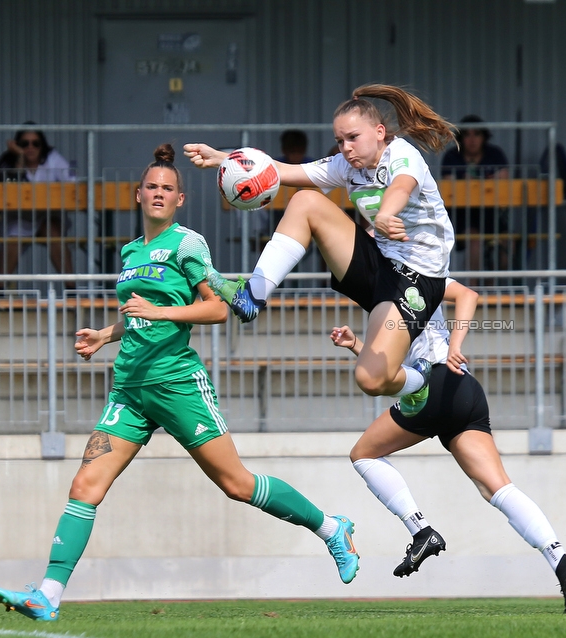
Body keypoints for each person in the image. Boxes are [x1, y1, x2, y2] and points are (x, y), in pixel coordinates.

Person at [0, 144, 359, 623]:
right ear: (137, 194)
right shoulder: (130, 251)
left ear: (180, 199)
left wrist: (161, 311)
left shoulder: (188, 243)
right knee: (85, 485)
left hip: (177, 383)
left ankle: (331, 527)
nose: (159, 193)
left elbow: (216, 307)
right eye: (152, 187)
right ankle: (48, 595)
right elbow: (139, 314)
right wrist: (106, 334)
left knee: (236, 483)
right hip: (130, 387)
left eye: (168, 188)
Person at [186, 84, 457, 417]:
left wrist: (386, 213)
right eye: (340, 140)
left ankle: (418, 382)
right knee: (305, 200)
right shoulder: (348, 166)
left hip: (419, 279)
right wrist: (223, 159)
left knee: (371, 379)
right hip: (380, 264)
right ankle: (253, 296)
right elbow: (281, 172)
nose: (345, 147)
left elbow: (401, 186)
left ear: (380, 132)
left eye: (353, 137)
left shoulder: (402, 155)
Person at [333, 278, 566, 613]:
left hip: (433, 386)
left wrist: (454, 344)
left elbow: (467, 295)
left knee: (363, 453)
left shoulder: (407, 276)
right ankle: (561, 561)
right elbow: (388, 366)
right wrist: (357, 346)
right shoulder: (407, 281)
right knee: (497, 488)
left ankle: (421, 530)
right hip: (463, 388)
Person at [0, 123, 76, 287]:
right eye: (24, 144)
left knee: (54, 235)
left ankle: (71, 290)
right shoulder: (8, 161)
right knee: (12, 242)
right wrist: (19, 156)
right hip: (18, 218)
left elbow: (72, 181)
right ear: (17, 146)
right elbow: (7, 187)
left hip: (46, 216)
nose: (30, 147)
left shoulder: (52, 157)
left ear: (42, 145)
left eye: (35, 143)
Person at [440, 115, 511, 272]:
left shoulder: (495, 154)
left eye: (477, 134)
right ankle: (473, 288)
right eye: (467, 134)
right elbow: (449, 184)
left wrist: (473, 182)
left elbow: (505, 179)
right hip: (462, 216)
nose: (472, 139)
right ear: (460, 137)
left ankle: (496, 289)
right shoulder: (452, 156)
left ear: (484, 137)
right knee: (475, 240)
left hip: (492, 214)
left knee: (506, 243)